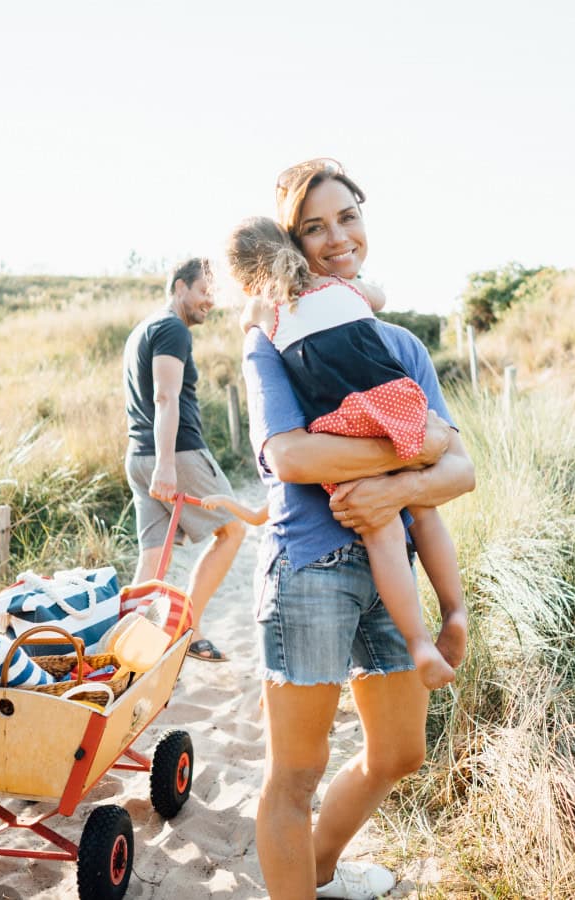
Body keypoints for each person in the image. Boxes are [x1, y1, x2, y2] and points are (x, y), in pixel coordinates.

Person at [241, 158, 475, 900]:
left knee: (401, 752)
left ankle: (317, 868)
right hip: (309, 566)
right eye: (314, 227)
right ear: (290, 247)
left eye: (347, 217)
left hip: (391, 568)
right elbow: (290, 455)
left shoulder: (399, 344)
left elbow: (461, 469)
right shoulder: (272, 338)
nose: (336, 237)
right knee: (296, 774)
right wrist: (413, 448)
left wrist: (396, 489)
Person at [211, 215, 465, 691]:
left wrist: (254, 308)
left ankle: (419, 643)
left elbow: (254, 319)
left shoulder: (269, 312)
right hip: (397, 400)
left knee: (383, 526)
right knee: (423, 511)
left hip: (348, 422)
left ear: (244, 280)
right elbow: (379, 298)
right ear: (291, 245)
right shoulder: (339, 287)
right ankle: (455, 610)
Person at [121, 257, 246, 662]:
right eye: (204, 291)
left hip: (138, 456)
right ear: (179, 288)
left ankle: (122, 651)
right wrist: (167, 464)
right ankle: (187, 627)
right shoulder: (171, 328)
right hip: (176, 453)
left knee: (153, 561)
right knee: (233, 530)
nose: (210, 301)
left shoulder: (143, 329)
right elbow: (164, 396)